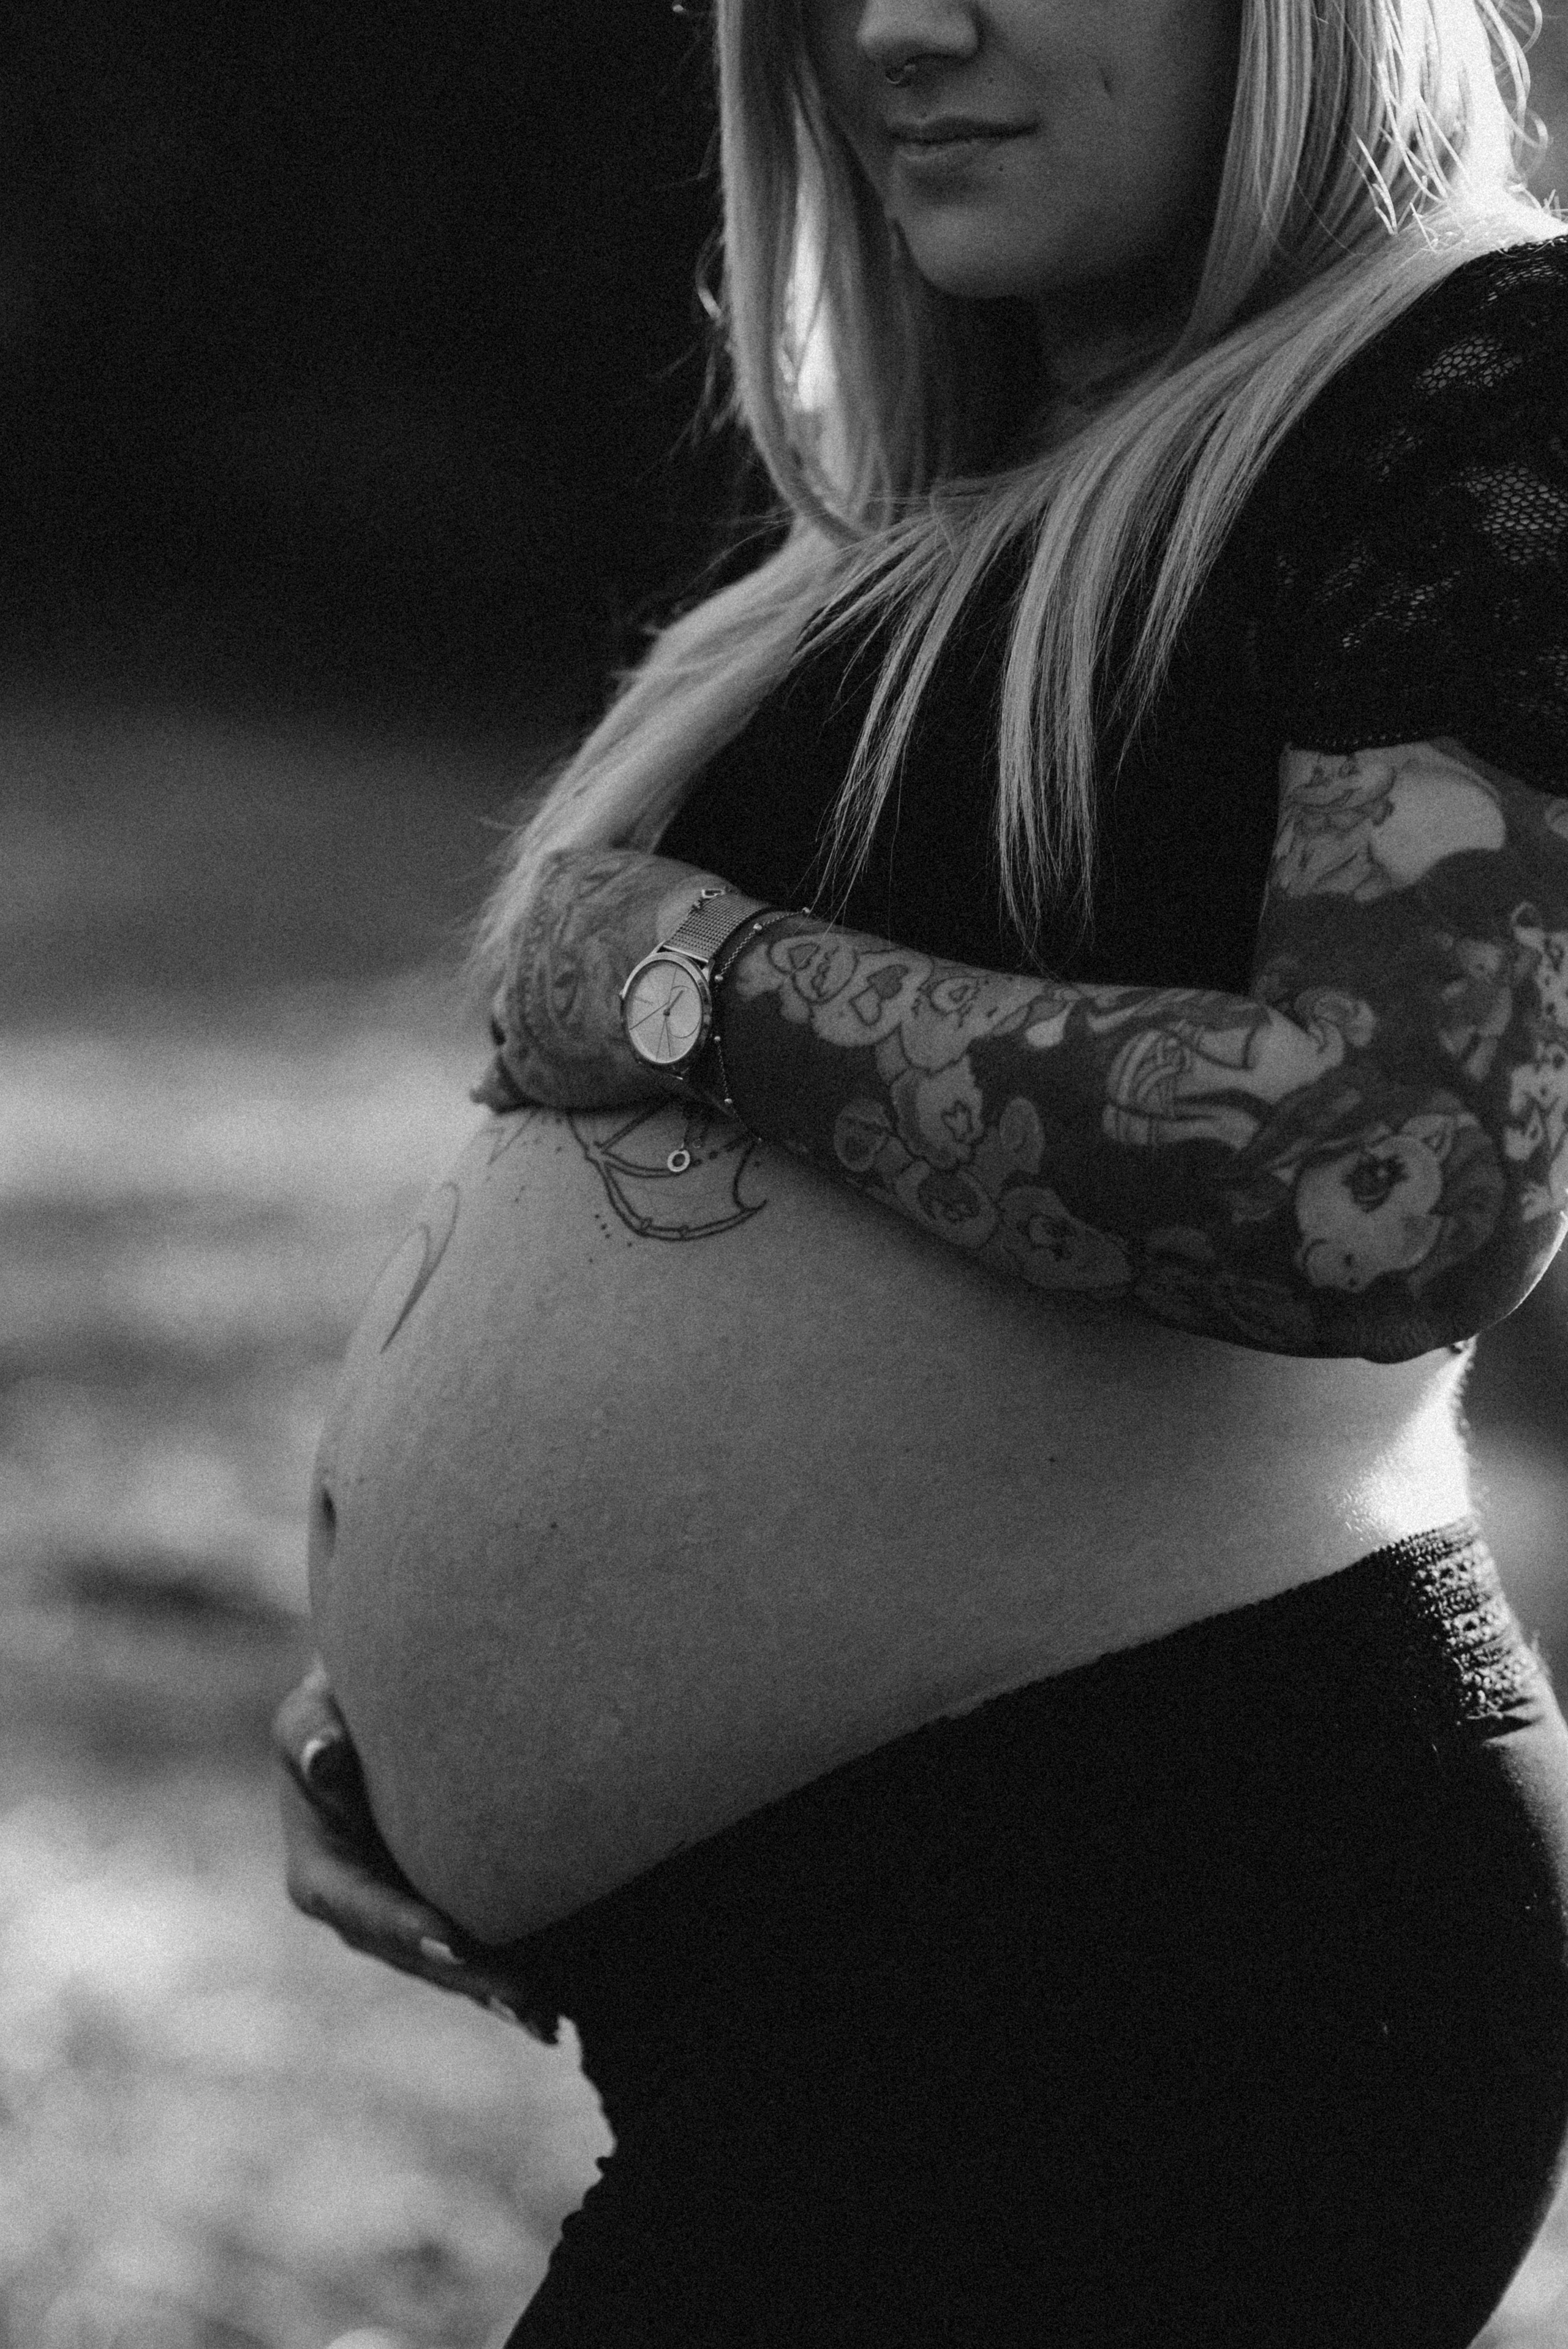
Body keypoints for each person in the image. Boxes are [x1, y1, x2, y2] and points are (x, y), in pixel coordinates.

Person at [275, 0, 1568, 2340]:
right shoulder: (940, 510)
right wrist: (412, 1696)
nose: (893, 26)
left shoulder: (1493, 381)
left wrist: (703, 981)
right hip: (861, 1997)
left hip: (1168, 1967)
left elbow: (1404, 1167)